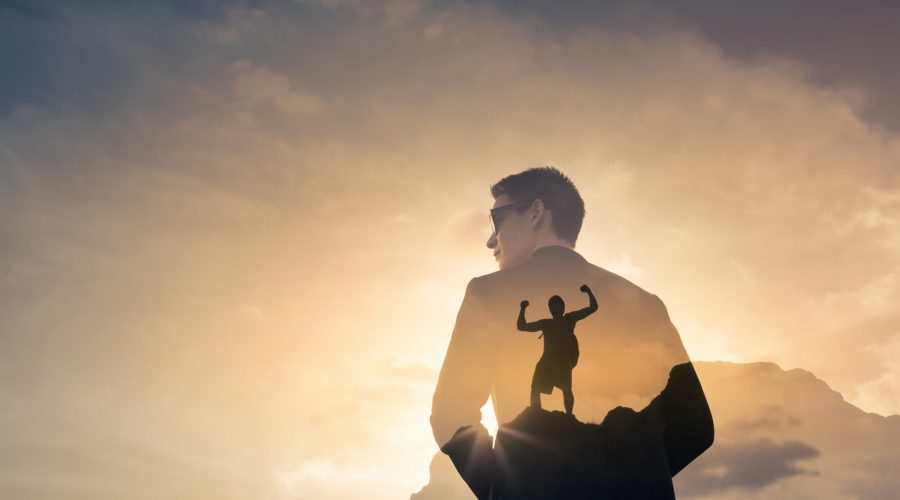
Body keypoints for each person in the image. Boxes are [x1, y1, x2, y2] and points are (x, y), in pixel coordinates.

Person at [430, 167, 713, 499]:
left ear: (535, 213)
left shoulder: (489, 293)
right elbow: (695, 425)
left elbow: (451, 414)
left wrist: (510, 487)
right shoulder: (645, 304)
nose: (491, 239)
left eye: (498, 219)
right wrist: (634, 478)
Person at [517, 285, 598, 414]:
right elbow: (521, 326)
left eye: (557, 304)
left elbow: (593, 308)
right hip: (547, 360)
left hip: (562, 360)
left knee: (566, 388)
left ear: (562, 306)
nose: (554, 307)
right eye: (552, 305)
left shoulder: (569, 318)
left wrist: (589, 292)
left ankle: (569, 416)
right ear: (550, 308)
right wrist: (522, 309)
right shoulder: (545, 323)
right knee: (535, 387)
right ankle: (535, 413)